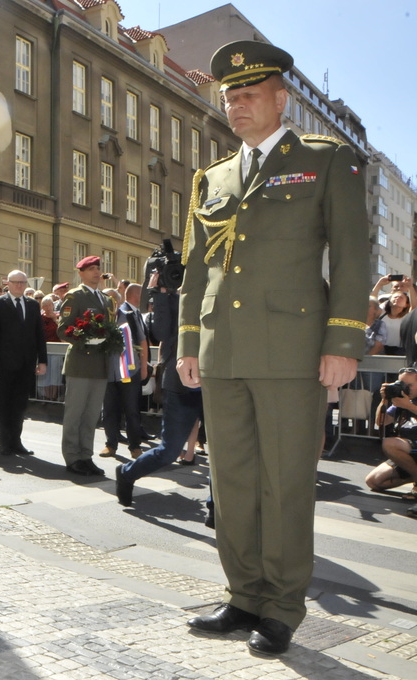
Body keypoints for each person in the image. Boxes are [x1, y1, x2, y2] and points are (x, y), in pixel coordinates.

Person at [176, 40, 368, 656]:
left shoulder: (326, 160)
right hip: (222, 351)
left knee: (284, 482)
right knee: (230, 481)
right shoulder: (213, 176)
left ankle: (282, 605)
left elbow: (353, 256)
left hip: (292, 350)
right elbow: (196, 269)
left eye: (249, 94)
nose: (236, 105)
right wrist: (187, 342)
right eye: (230, 96)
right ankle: (243, 594)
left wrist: (343, 341)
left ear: (280, 99)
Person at [115, 273, 207, 513]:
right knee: (169, 450)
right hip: (182, 384)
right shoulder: (177, 299)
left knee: (226, 450)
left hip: (220, 382)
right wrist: (161, 295)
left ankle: (216, 508)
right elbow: (160, 332)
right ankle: (127, 473)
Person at [58, 255, 115, 476]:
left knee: (91, 415)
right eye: (90, 269)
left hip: (99, 364)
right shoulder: (75, 296)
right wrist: (85, 339)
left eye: (97, 269)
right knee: (75, 413)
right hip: (81, 362)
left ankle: (86, 454)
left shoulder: (106, 299)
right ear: (80, 273)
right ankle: (72, 457)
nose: (95, 273)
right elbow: (64, 329)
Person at [0, 270, 47, 456]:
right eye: (15, 282)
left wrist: (42, 361)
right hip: (4, 363)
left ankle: (16, 440)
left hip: (26, 364)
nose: (19, 285)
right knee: (4, 403)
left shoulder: (33, 305)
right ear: (8, 284)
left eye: (22, 282)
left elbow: (39, 335)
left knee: (20, 404)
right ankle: (4, 442)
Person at [100, 283, 149, 459]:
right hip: (109, 371)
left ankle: (134, 446)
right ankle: (110, 445)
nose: (111, 303)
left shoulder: (128, 314)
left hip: (129, 370)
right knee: (110, 410)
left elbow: (142, 341)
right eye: (108, 299)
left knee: (132, 410)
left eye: (114, 299)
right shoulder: (101, 317)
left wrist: (143, 367)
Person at [365, 368, 417, 499]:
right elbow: (381, 421)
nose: (405, 388)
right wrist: (384, 400)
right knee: (374, 481)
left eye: (409, 385)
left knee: (390, 443)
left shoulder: (405, 403)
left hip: (411, 447)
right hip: (408, 453)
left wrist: (409, 406)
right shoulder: (400, 401)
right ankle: (414, 475)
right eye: (401, 384)